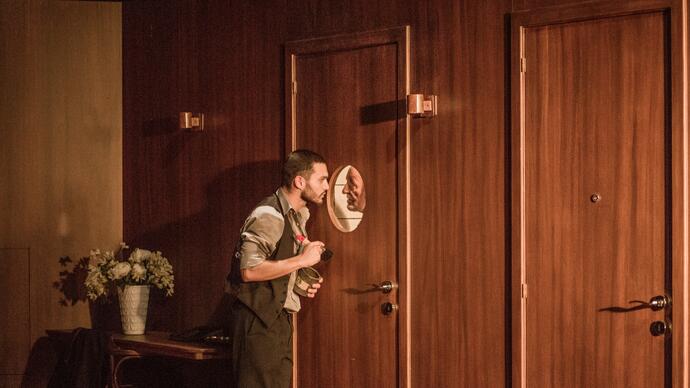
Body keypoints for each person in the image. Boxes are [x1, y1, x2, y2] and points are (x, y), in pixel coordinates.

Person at [225, 149, 329, 388]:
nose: (326, 186)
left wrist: (299, 284)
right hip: (257, 320)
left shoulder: (295, 215)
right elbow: (249, 270)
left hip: (276, 320)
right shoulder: (269, 213)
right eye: (321, 179)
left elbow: (277, 262)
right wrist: (302, 261)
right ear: (300, 181)